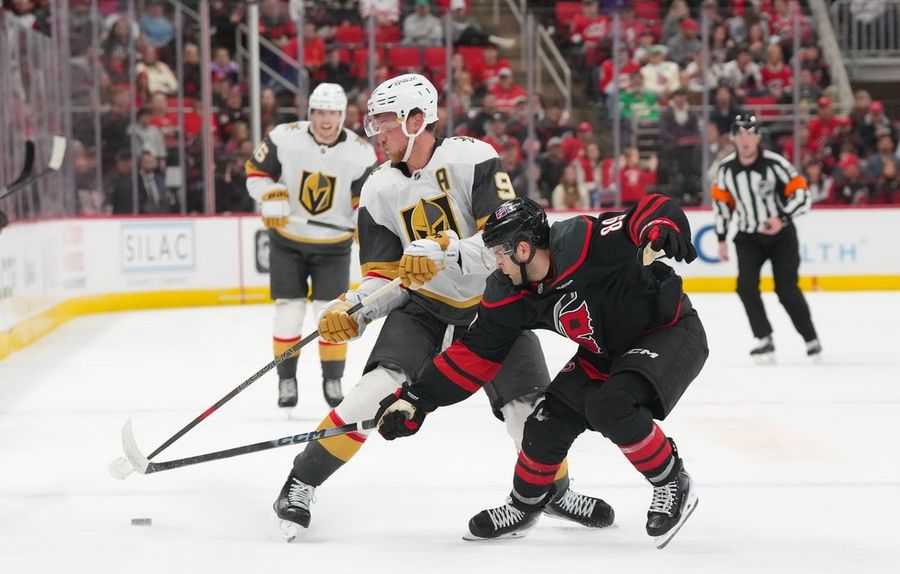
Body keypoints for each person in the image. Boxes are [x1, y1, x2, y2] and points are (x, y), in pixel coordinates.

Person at [271, 74, 611, 540]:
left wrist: (445, 250)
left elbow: (511, 243)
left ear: (417, 119)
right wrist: (355, 308)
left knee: (529, 414)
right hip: (424, 310)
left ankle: (551, 492)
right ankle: (298, 484)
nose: (377, 131)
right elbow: (384, 276)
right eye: (374, 121)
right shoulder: (376, 189)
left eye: (386, 120)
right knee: (370, 393)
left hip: (498, 306)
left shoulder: (473, 158)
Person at [372, 195, 707, 549]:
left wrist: (662, 227)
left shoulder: (584, 242)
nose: (496, 263)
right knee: (544, 422)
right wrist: (417, 399)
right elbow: (474, 355)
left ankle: (672, 480)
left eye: (500, 253)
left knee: (612, 404)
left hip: (668, 332)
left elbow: (650, 210)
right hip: (602, 353)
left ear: (523, 248)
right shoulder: (507, 291)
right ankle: (525, 506)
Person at [245, 83, 377, 409]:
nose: (326, 119)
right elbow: (255, 173)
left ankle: (332, 378)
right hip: (287, 242)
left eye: (332, 112)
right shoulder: (282, 137)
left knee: (330, 314)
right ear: (310, 113)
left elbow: (368, 197)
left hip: (333, 247)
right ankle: (286, 378)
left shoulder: (361, 152)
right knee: (288, 312)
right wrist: (269, 195)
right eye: (319, 111)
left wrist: (364, 221)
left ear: (343, 115)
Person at [712, 113, 821, 362]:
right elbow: (721, 206)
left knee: (786, 288)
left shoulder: (776, 164)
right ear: (732, 138)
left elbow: (802, 195)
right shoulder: (726, 170)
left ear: (758, 137)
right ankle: (764, 338)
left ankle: (810, 338)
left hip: (781, 235)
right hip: (748, 236)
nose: (745, 139)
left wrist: (781, 218)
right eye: (740, 134)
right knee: (746, 287)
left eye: (750, 133)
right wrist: (721, 238)